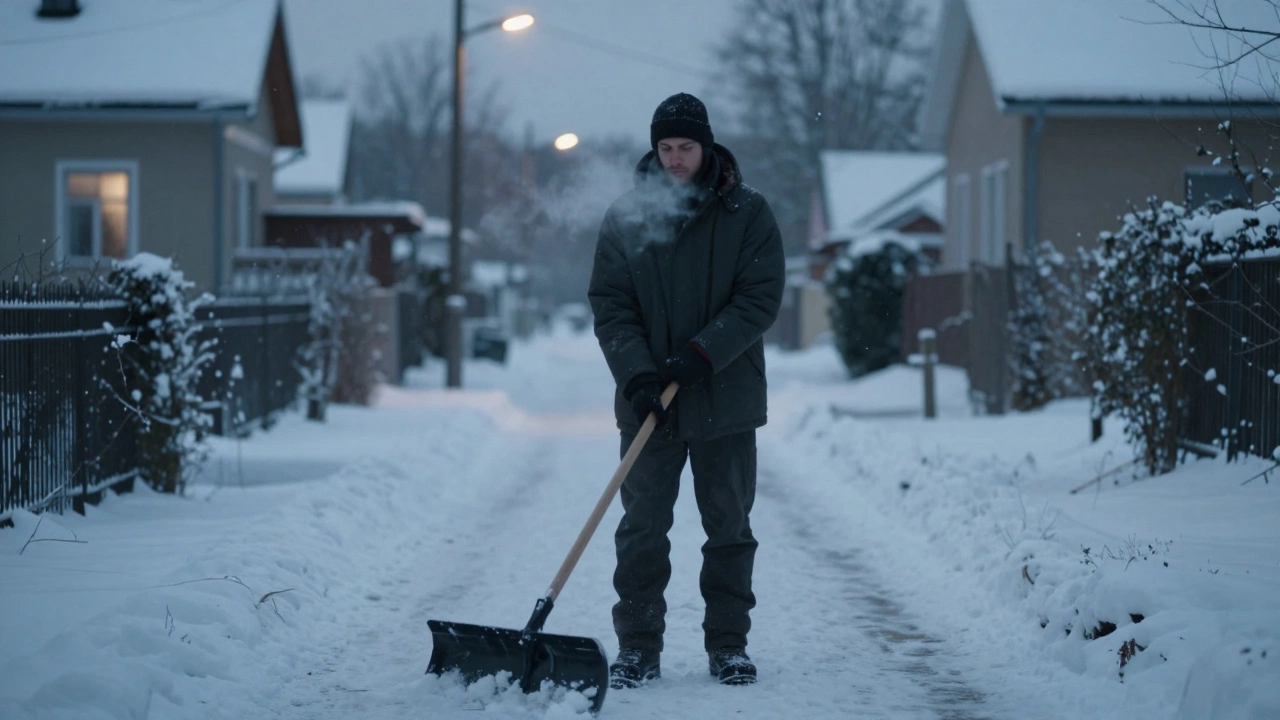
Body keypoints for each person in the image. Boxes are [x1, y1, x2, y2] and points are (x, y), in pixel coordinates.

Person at [587, 92, 785, 688]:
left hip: (725, 399)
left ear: (707, 147)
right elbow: (611, 306)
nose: (675, 158)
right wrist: (640, 375)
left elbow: (759, 298)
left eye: (686, 147)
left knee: (728, 528)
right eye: (665, 147)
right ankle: (639, 648)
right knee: (642, 529)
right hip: (649, 403)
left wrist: (703, 354)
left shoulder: (747, 213)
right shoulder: (626, 215)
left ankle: (728, 646)